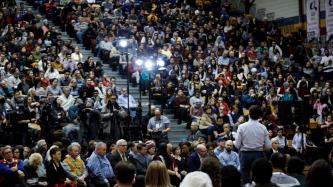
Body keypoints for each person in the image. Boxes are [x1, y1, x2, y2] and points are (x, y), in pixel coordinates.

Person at [235, 105, 271, 184]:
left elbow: (237, 145)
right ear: (258, 116)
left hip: (245, 155)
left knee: (245, 178)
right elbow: (268, 147)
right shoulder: (263, 127)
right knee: (259, 177)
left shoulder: (241, 127)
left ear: (249, 114)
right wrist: (260, 148)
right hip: (258, 154)